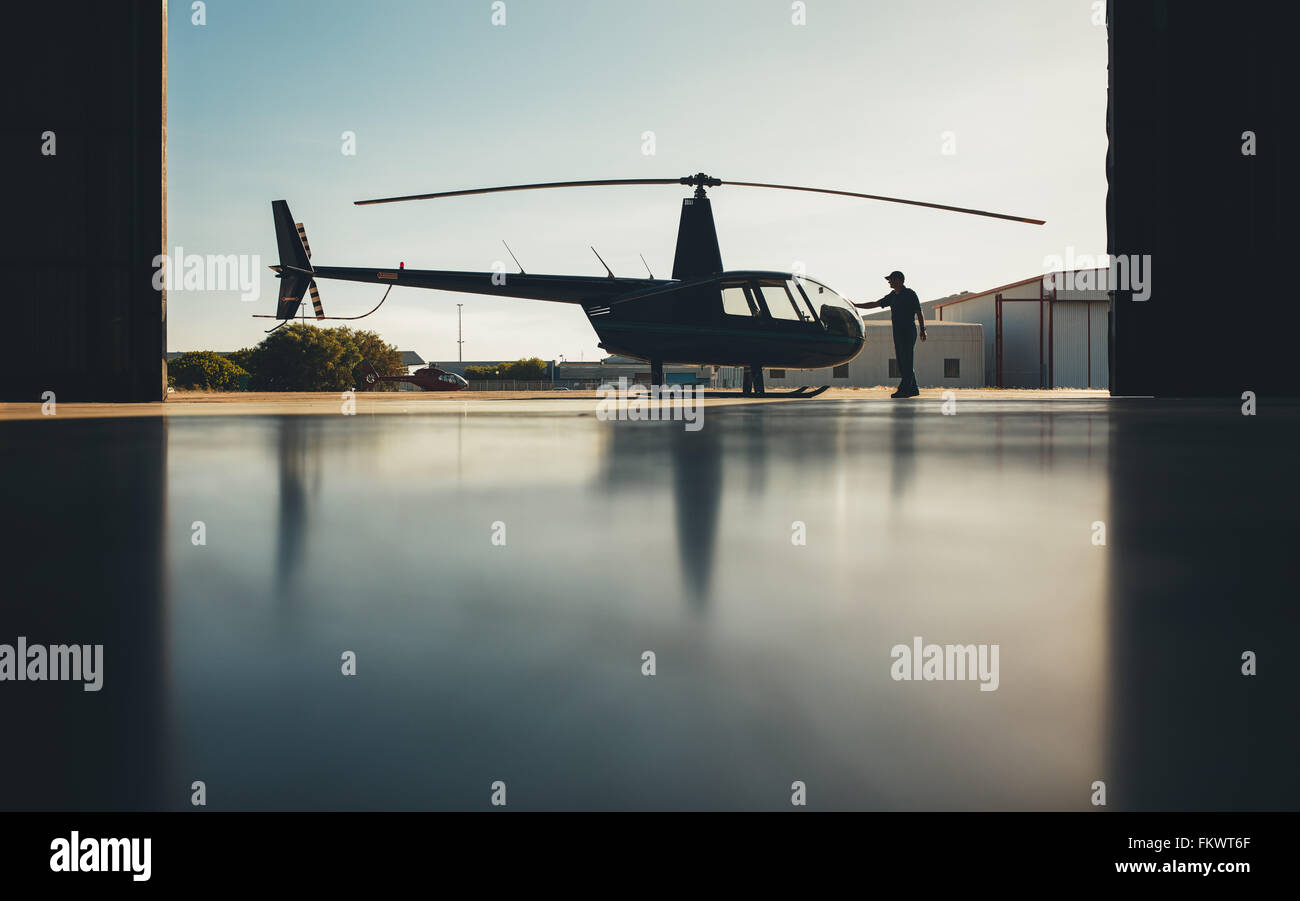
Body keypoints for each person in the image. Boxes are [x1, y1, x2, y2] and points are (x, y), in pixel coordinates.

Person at [854, 270, 926, 398]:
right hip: (897, 332)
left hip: (908, 331)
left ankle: (904, 390)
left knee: (907, 360)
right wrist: (855, 305)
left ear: (899, 280)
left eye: (891, 280)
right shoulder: (893, 296)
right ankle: (913, 389)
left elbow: (919, 312)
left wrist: (922, 329)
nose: (889, 282)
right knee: (901, 360)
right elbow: (876, 303)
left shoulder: (910, 294)